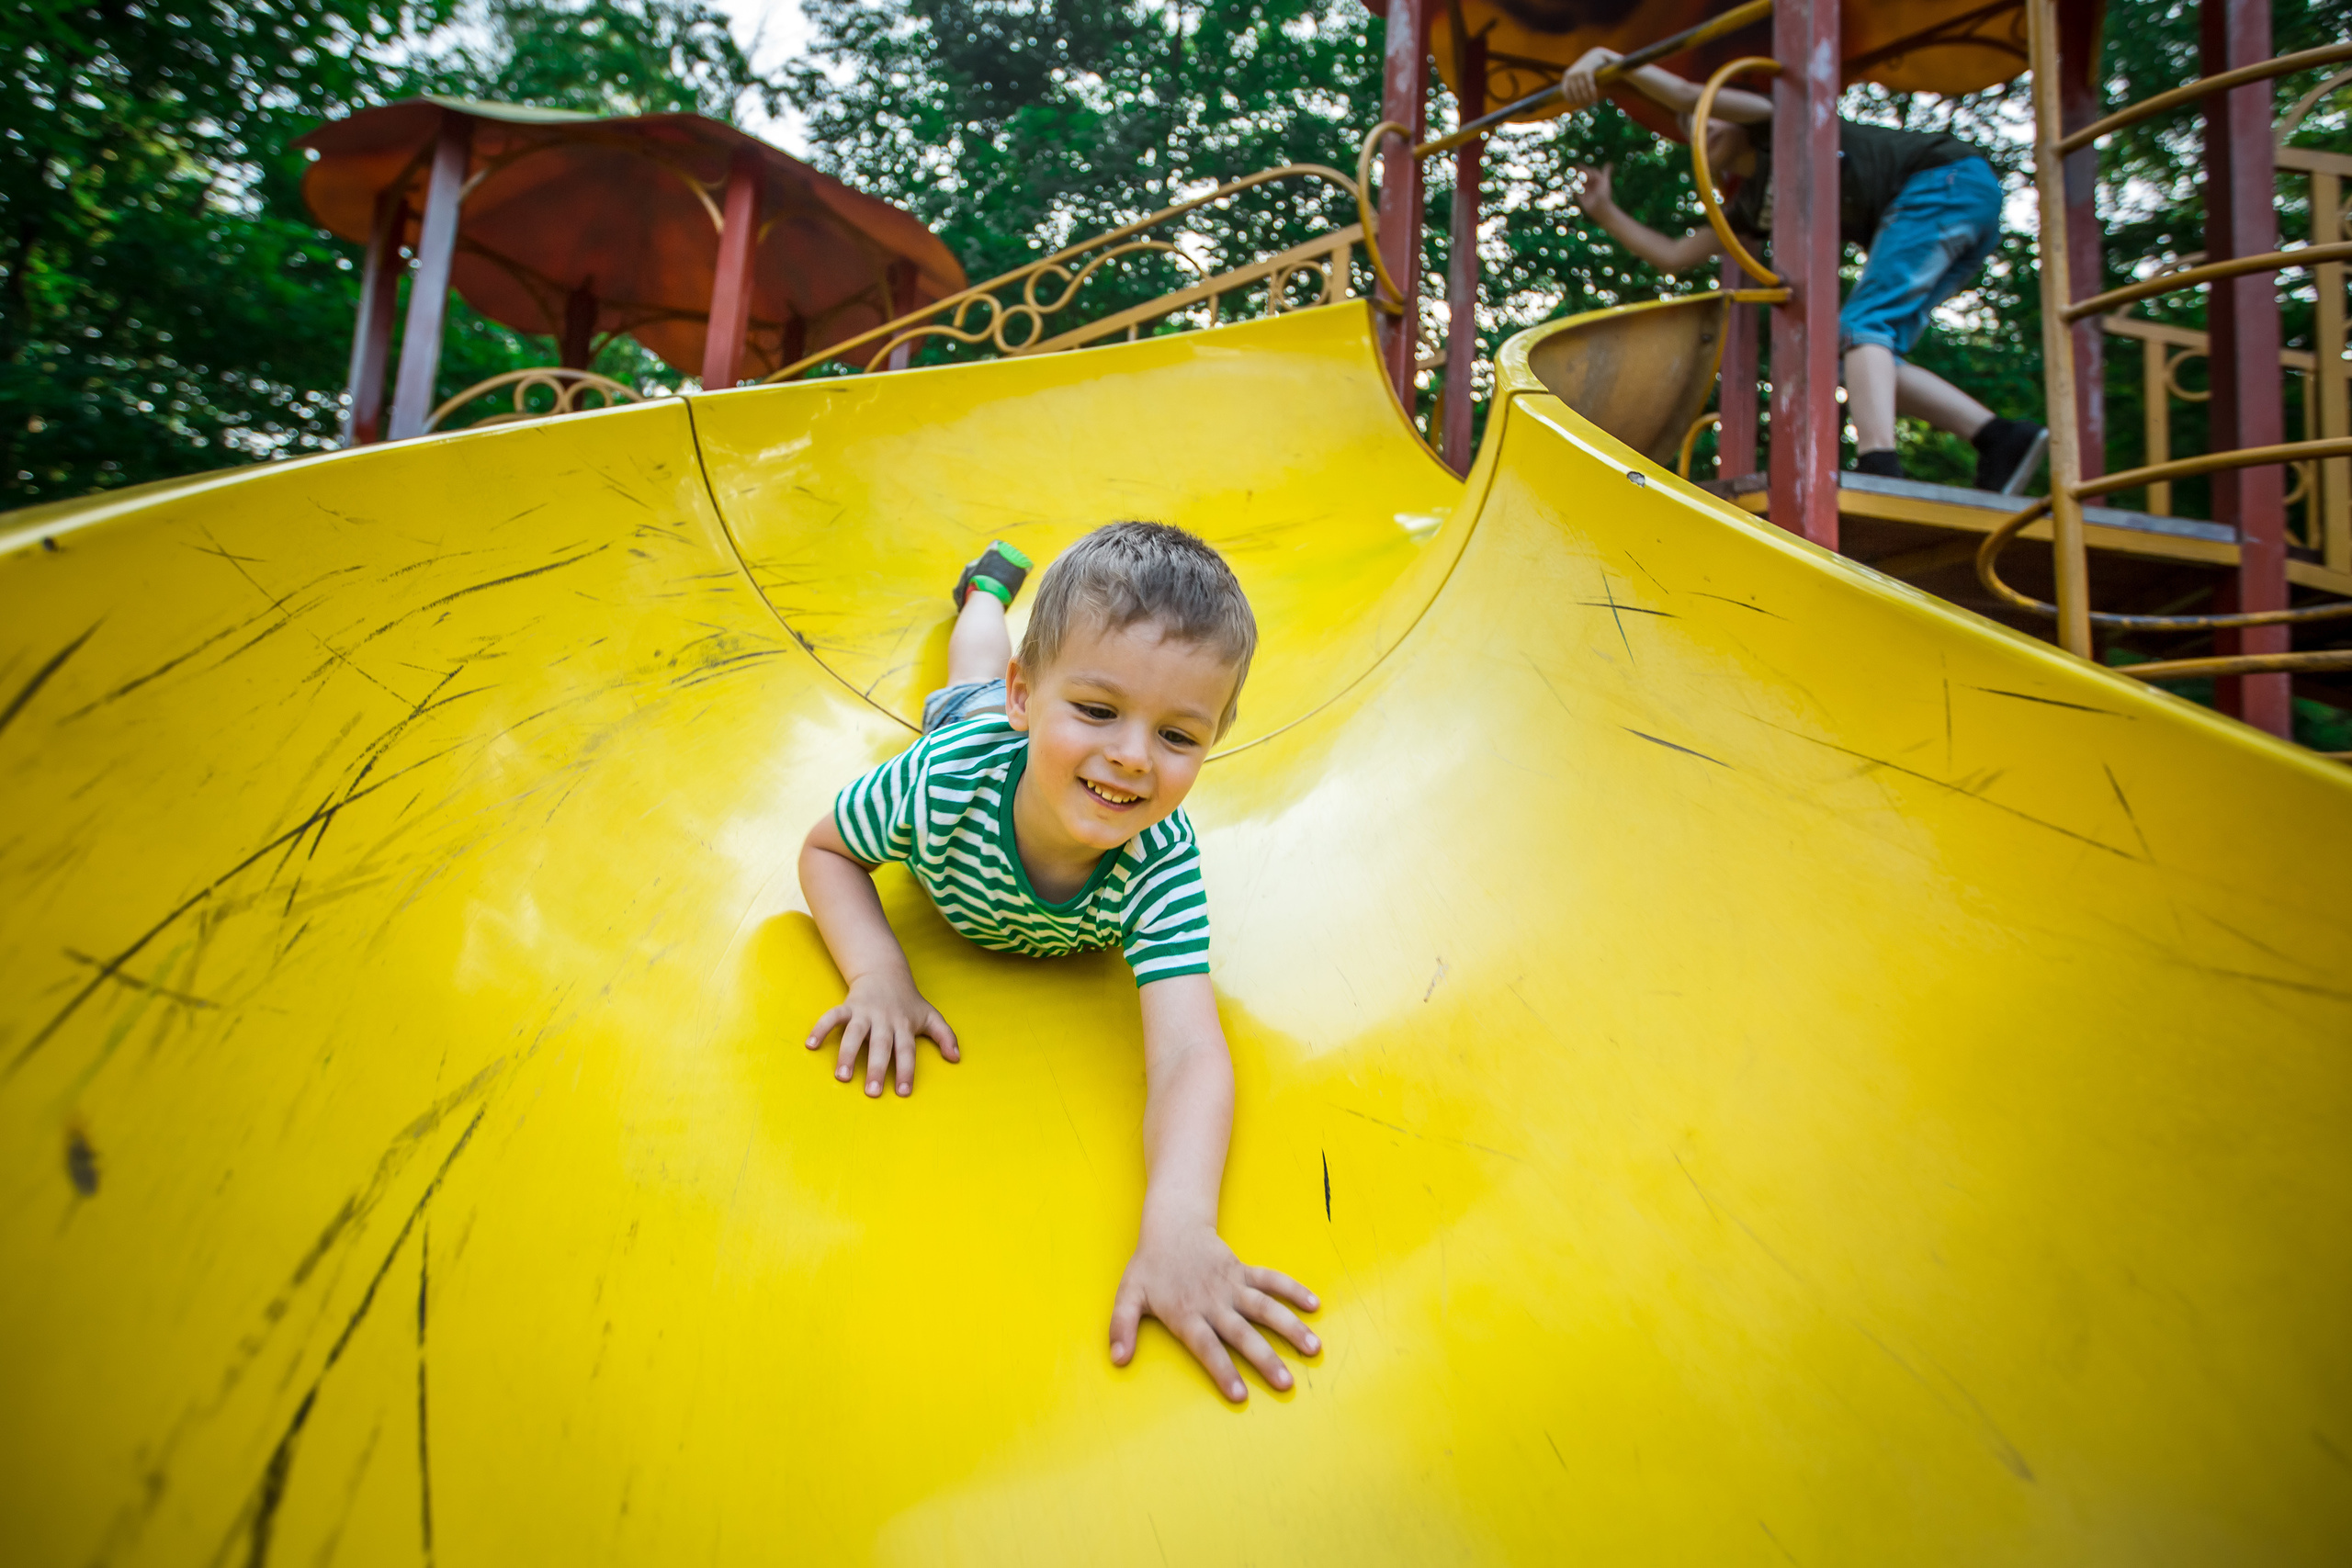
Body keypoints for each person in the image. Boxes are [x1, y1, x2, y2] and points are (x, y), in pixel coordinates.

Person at [797, 525, 1321, 1404]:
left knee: (1004, 692)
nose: (1133, 756)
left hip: (1016, 730)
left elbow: (1188, 1052)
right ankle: (985, 591)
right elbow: (826, 851)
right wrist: (877, 972)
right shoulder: (940, 781)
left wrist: (1180, 1221)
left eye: (1178, 735)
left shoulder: (1159, 861)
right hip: (977, 728)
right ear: (1030, 697)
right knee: (968, 671)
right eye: (1098, 710)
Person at [1558, 47, 2047, 492]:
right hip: (1960, 205)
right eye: (1688, 128)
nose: (1699, 126)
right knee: (1856, 354)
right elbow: (1674, 255)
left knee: (1862, 327)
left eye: (1709, 115)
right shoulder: (1751, 205)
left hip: (1942, 182)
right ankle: (2000, 437)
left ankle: (1879, 464)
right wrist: (1605, 212)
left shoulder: (1779, 125)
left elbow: (1688, 94)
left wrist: (1604, 59)